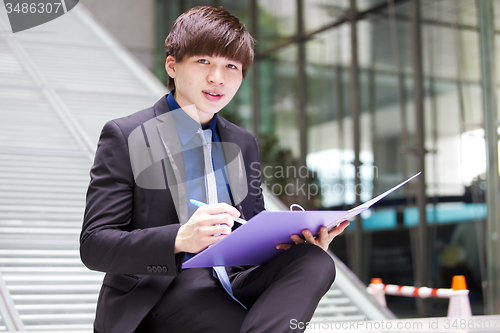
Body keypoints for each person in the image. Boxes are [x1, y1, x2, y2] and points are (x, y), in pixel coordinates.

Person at [80, 6, 349, 333]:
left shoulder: (243, 142)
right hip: (162, 289)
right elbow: (95, 245)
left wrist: (295, 242)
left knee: (315, 261)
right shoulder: (127, 135)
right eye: (204, 61)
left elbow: (251, 230)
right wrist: (180, 239)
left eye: (231, 66)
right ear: (172, 66)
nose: (217, 78)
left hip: (232, 280)